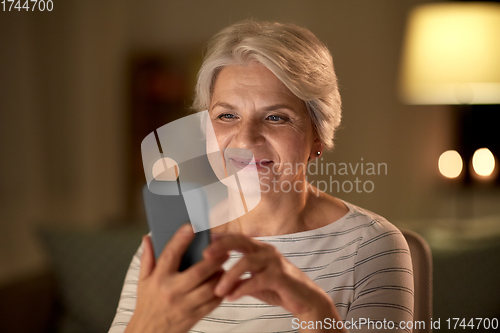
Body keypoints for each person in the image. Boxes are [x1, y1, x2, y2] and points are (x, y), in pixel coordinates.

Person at [109, 20, 414, 333]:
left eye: (276, 117)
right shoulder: (170, 248)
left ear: (318, 136)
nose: (245, 139)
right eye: (227, 115)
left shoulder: (370, 247)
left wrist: (314, 311)